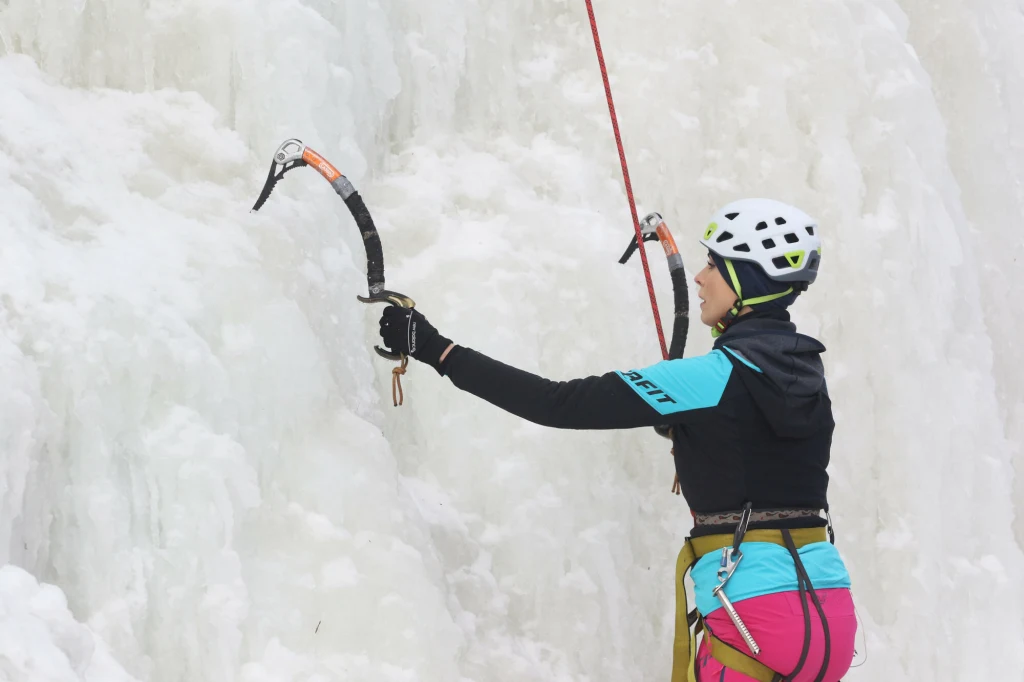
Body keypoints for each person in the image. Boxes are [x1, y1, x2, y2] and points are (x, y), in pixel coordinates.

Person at [378, 198, 857, 682]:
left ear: (745, 282)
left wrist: (437, 349)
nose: (699, 276)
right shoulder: (810, 379)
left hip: (753, 617)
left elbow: (556, 403)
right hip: (830, 615)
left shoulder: (710, 378)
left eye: (714, 263)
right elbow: (758, 455)